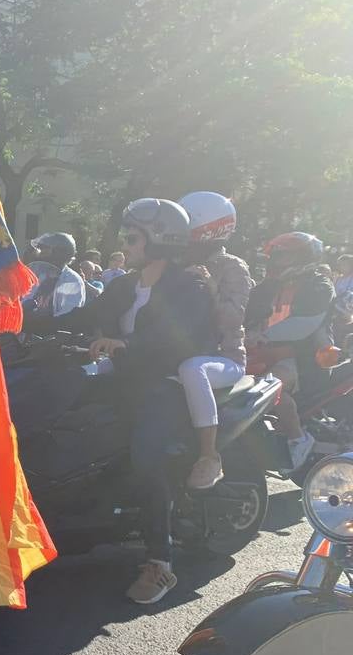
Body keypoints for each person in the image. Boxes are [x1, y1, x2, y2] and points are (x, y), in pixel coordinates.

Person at [64, 199, 215, 604]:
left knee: (146, 456)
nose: (124, 245)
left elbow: (174, 338)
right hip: (123, 378)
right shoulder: (121, 285)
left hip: (166, 382)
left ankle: (160, 562)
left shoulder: (190, 286)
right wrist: (12, 318)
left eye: (132, 238)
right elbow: (81, 316)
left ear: (160, 241)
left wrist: (125, 344)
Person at [175, 192, 253, 490]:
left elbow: (233, 319)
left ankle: (209, 456)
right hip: (181, 350)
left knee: (192, 369)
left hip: (225, 357)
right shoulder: (176, 262)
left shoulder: (233, 267)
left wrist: (209, 288)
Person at [245, 231, 334, 472]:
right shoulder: (269, 286)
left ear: (302, 257)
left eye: (281, 256)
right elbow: (246, 311)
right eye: (274, 256)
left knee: (266, 388)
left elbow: (303, 323)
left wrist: (262, 337)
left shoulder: (319, 285)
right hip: (265, 352)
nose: (274, 262)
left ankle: (298, 439)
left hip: (300, 358)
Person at [25, 233, 87, 317]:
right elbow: (25, 299)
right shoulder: (40, 276)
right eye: (40, 248)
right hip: (29, 327)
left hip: (51, 328)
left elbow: (67, 315)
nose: (40, 252)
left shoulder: (72, 280)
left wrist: (39, 321)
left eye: (44, 248)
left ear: (59, 252)